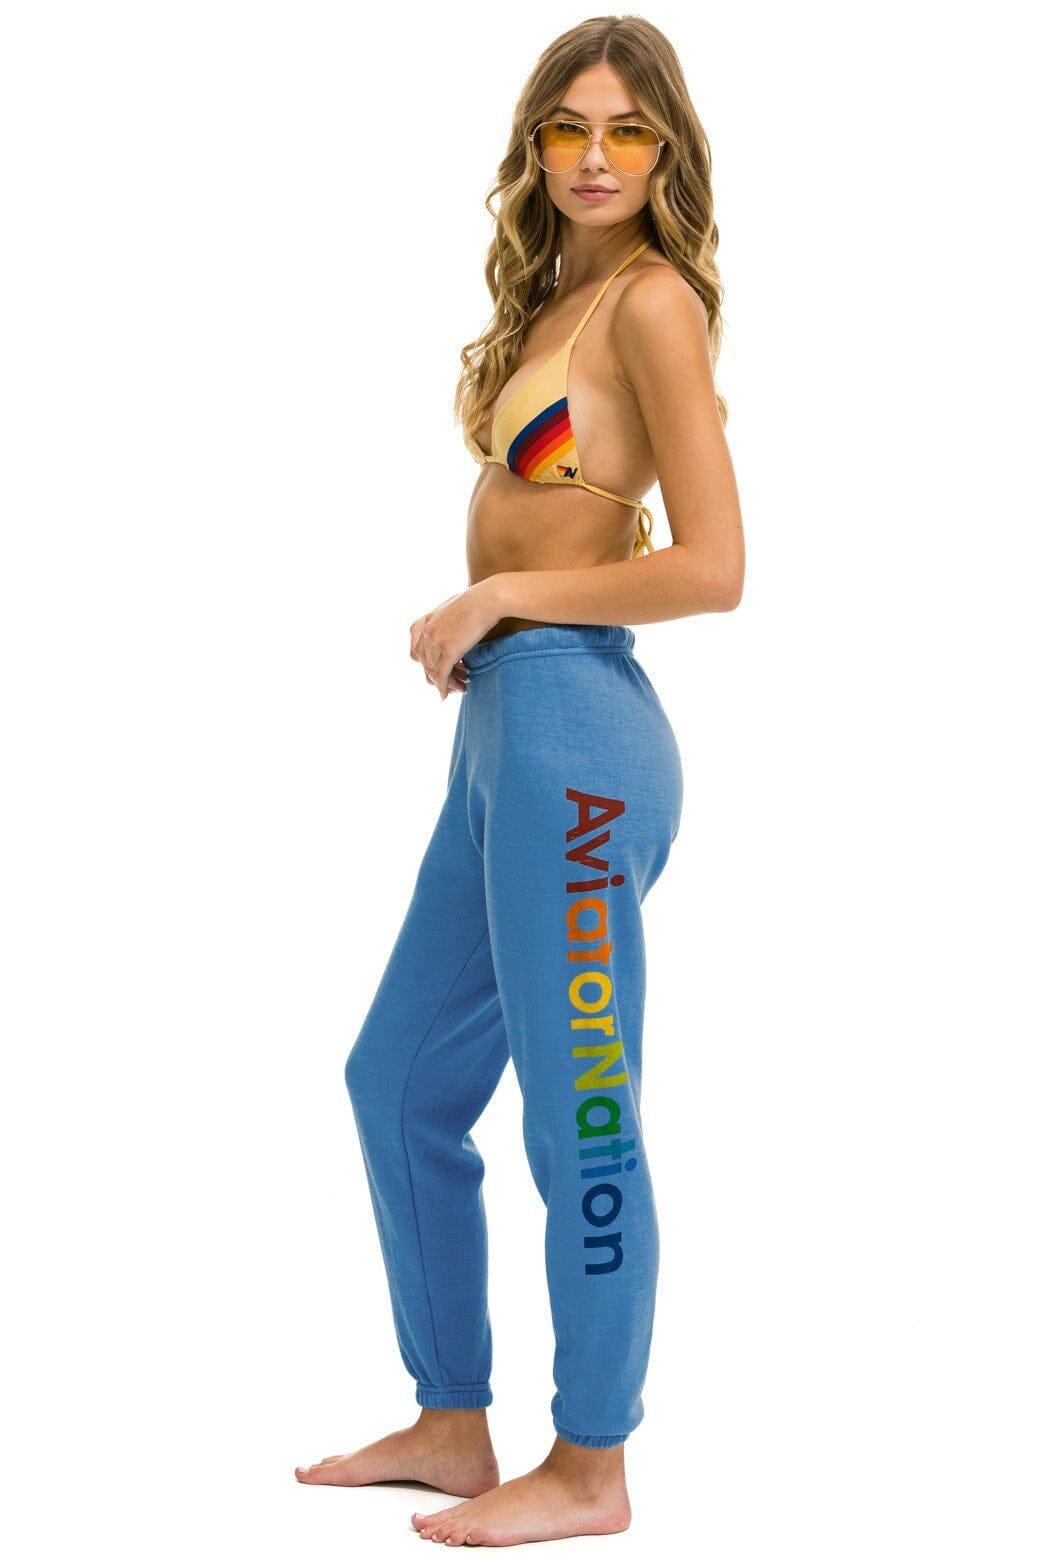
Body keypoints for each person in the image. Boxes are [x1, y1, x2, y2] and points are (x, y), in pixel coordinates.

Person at [295, 14, 744, 1547]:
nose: (597, 157)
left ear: (666, 150)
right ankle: (452, 1419)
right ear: (537, 147)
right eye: (570, 129)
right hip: (500, 735)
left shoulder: (654, 304)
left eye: (628, 131)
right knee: (399, 1080)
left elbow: (715, 566)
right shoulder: (562, 292)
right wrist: (492, 624)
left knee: (581, 1113)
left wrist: (501, 597)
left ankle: (593, 1463)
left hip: (577, 743)